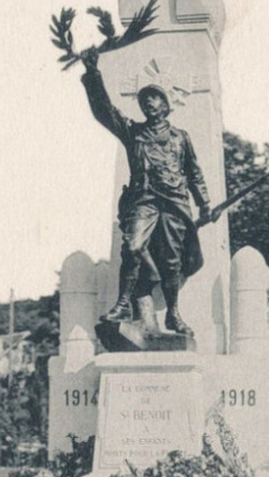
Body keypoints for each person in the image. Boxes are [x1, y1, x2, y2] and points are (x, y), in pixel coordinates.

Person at [81, 48, 212, 336]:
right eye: (145, 99)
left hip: (175, 203)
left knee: (172, 260)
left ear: (166, 105)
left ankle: (173, 315)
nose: (149, 103)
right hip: (144, 200)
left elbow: (194, 172)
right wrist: (93, 75)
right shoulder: (132, 132)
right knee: (132, 246)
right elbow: (104, 111)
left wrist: (204, 204)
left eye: (155, 98)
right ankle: (124, 303)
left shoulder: (181, 137)